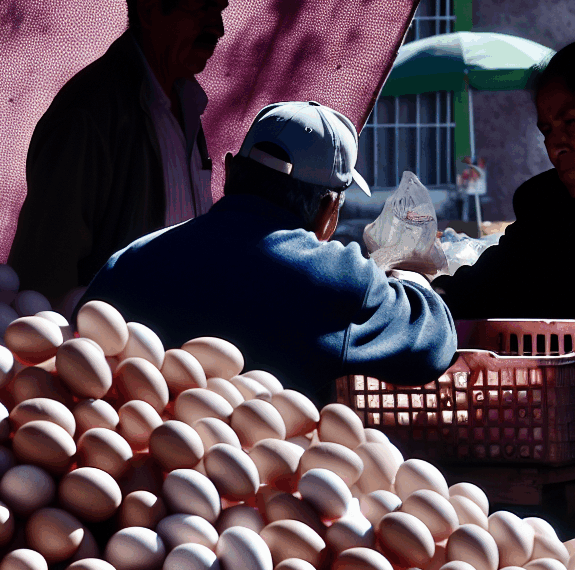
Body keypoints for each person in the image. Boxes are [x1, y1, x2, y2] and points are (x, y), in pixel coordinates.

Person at [77, 101, 458, 403]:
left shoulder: (133, 259)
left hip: (136, 486)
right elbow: (433, 347)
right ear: (330, 211)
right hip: (265, 491)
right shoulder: (340, 278)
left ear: (229, 174)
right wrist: (409, 271)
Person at [8, 0, 228, 304]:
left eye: (220, 10)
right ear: (149, 11)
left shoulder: (187, 104)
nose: (218, 28)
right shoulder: (88, 114)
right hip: (113, 345)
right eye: (202, 9)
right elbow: (47, 265)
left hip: (170, 338)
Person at [433, 42, 575, 319]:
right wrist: (416, 295)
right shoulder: (544, 207)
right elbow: (482, 286)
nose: (556, 145)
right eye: (546, 130)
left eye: (570, 121)